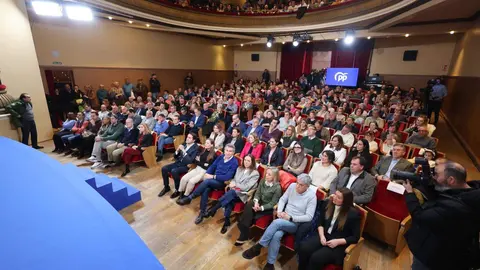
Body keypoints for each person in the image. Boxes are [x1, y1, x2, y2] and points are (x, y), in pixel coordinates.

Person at [402, 161, 480, 270]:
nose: (433, 177)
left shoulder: (454, 208)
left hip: (435, 257)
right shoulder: (472, 189)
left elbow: (419, 216)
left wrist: (410, 193)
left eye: (436, 174)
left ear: (451, 180)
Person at [242, 174, 317, 270]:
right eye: (297, 183)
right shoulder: (292, 186)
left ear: (307, 186)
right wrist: (279, 211)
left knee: (277, 223)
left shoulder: (311, 196)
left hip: (294, 223)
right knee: (276, 235)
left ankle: (258, 247)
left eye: (301, 185)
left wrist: (290, 217)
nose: (297, 186)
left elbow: (309, 217)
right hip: (283, 216)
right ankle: (270, 264)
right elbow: (282, 199)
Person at [297, 188, 361, 270]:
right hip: (324, 235)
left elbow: (355, 237)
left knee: (316, 258)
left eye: (338, 197)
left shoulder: (353, 214)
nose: (334, 197)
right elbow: (320, 222)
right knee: (304, 248)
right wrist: (322, 236)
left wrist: (338, 242)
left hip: (338, 244)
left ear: (345, 201)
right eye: (335, 194)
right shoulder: (328, 203)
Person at [177, 144, 239, 224]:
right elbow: (213, 166)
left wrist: (212, 176)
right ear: (224, 150)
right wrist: (207, 173)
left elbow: (227, 177)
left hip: (222, 183)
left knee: (207, 182)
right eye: (227, 150)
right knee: (205, 190)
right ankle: (202, 213)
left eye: (230, 151)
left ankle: (190, 197)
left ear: (233, 153)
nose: (228, 153)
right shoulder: (221, 157)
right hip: (212, 180)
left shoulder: (234, 162)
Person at [204, 155, 260, 233]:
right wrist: (233, 184)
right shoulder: (239, 168)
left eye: (248, 161)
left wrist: (235, 185)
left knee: (231, 193)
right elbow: (234, 179)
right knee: (230, 200)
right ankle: (226, 222)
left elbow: (247, 187)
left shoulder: (255, 173)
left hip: (242, 194)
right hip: (233, 192)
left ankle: (213, 209)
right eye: (245, 160)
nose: (246, 162)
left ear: (252, 162)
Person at [235, 167, 282, 246]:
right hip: (259, 203)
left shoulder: (277, 188)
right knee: (250, 203)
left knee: (247, 216)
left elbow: (272, 203)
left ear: (274, 177)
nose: (266, 175)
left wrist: (261, 208)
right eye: (266, 173)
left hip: (267, 208)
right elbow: (258, 193)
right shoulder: (263, 180)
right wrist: (256, 202)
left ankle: (243, 232)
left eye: (269, 175)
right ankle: (245, 233)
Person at [158, 133, 199, 197]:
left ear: (194, 140)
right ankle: (166, 187)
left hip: (186, 166)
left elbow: (190, 160)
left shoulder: (195, 148)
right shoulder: (184, 143)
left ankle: (177, 190)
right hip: (178, 162)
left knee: (174, 171)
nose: (187, 138)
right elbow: (175, 156)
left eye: (189, 138)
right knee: (164, 168)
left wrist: (183, 150)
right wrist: (177, 150)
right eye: (187, 137)